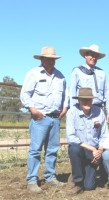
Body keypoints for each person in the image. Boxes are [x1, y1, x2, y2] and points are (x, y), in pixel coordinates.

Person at [20, 46, 68, 193]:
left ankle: (50, 177)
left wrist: (65, 109)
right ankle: (32, 180)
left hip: (55, 117)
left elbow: (65, 96)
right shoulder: (33, 74)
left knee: (52, 150)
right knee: (35, 150)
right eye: (47, 58)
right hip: (40, 118)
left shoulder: (60, 76)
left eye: (53, 59)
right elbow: (25, 94)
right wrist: (33, 110)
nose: (50, 61)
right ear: (41, 59)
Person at [66, 87, 109, 194]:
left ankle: (93, 170)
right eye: (83, 99)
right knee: (74, 148)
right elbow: (71, 137)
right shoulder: (72, 112)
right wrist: (92, 149)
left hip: (95, 151)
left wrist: (99, 150)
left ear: (92, 100)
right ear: (79, 100)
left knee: (89, 186)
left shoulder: (99, 112)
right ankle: (77, 181)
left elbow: (104, 135)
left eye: (89, 99)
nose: (86, 102)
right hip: (81, 148)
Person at [69, 44, 109, 123]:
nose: (94, 58)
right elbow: (71, 92)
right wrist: (73, 111)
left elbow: (107, 93)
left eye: (96, 56)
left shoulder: (102, 73)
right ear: (86, 56)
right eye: (91, 55)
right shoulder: (77, 71)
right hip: (81, 109)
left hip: (99, 110)